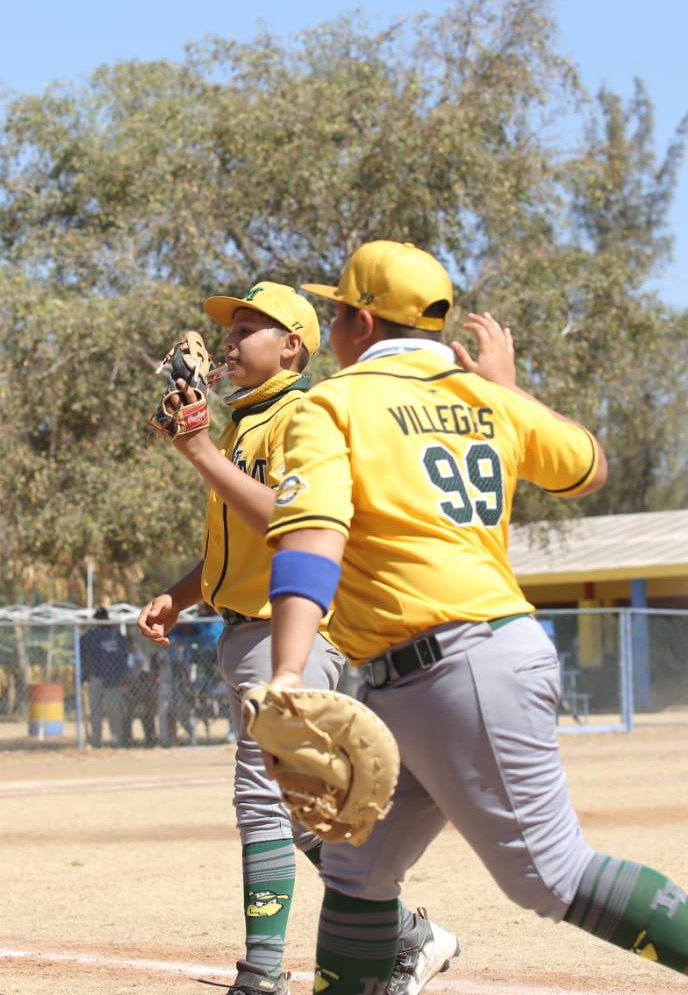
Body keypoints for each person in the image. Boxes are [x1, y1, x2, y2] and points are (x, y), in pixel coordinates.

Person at [262, 241, 688, 995]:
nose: (334, 324)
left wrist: (284, 671)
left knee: (548, 874)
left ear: (362, 322)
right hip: (441, 669)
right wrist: (507, 388)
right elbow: (588, 465)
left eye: (337, 310)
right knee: (357, 866)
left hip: (457, 669)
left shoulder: (334, 403)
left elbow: (313, 539)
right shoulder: (483, 398)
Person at [138, 283, 457, 995]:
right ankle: (406, 932)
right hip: (243, 627)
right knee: (299, 806)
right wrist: (178, 595)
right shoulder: (242, 426)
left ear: (293, 347)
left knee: (261, 795)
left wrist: (197, 453)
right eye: (231, 325)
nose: (230, 338)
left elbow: (288, 524)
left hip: (294, 630)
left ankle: (260, 974)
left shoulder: (301, 416)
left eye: (251, 325)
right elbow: (237, 541)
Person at [79, 608, 131, 746]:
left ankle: (116, 740)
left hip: (113, 680)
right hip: (95, 677)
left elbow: (123, 657)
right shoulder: (90, 636)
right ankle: (96, 741)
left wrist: (124, 676)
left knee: (114, 711)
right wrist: (83, 676)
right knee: (95, 712)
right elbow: (82, 656)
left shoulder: (116, 636)